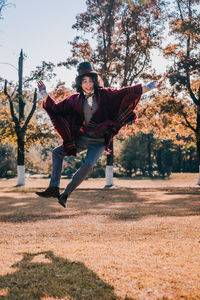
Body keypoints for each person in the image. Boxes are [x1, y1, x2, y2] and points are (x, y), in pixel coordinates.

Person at [36, 62, 162, 208]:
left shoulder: (105, 94)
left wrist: (150, 86)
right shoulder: (74, 100)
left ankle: (66, 194)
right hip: (82, 138)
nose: (88, 84)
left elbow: (125, 92)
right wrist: (44, 94)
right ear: (80, 83)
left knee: (87, 165)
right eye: (84, 81)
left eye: (90, 80)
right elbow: (57, 109)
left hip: (99, 141)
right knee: (57, 152)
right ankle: (53, 188)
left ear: (95, 81)